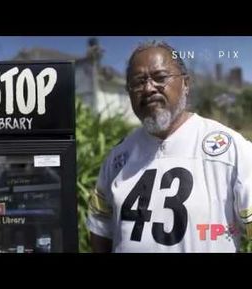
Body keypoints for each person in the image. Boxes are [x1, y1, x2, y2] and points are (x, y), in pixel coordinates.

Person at [86, 41, 252, 252]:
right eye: (138, 82)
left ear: (186, 84)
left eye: (160, 78)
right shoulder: (116, 158)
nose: (148, 88)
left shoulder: (232, 150)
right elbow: (101, 228)